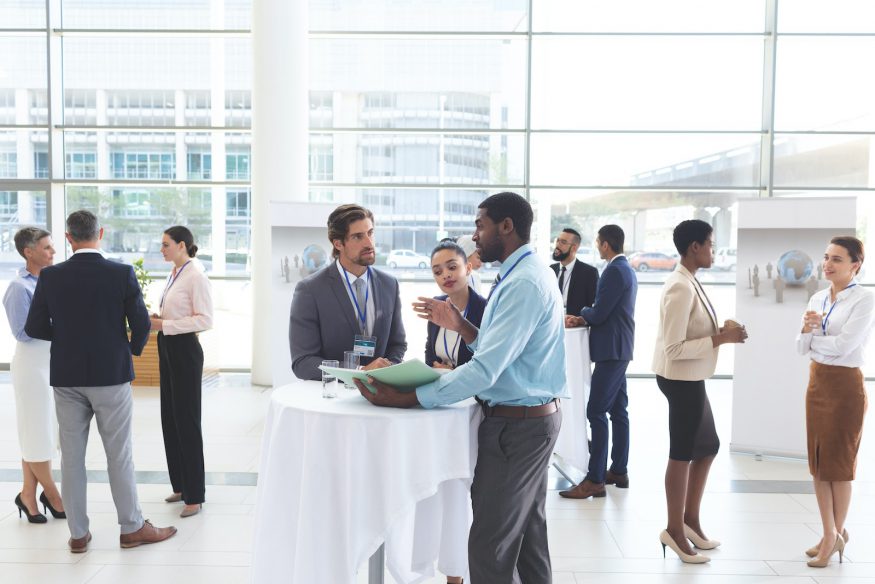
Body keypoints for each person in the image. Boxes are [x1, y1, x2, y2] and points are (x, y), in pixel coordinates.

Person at [355, 192, 566, 584]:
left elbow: (485, 370)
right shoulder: (527, 273)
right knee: (527, 541)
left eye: (480, 224)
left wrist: (409, 397)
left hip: (517, 428)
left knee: (490, 548)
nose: (475, 234)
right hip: (531, 421)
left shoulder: (523, 283)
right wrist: (461, 325)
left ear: (506, 226)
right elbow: (503, 352)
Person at [25, 210, 177, 553]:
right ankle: (132, 527)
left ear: (68, 238)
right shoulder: (120, 273)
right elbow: (141, 324)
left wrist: (65, 340)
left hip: (67, 377)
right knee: (119, 455)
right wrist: (126, 349)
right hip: (111, 375)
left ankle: (78, 534)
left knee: (72, 458)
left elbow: (34, 327)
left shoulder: (51, 277)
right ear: (101, 233)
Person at [651, 219, 747, 564]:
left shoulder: (690, 281)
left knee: (708, 446)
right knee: (682, 452)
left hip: (690, 378)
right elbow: (674, 348)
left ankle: (689, 520)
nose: (712, 250)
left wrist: (721, 332)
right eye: (709, 243)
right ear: (694, 247)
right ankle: (674, 530)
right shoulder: (680, 286)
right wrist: (722, 338)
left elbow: (689, 333)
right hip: (680, 379)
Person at [797, 236, 872, 568]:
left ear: (855, 264)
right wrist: (809, 336)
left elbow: (845, 347)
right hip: (817, 384)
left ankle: (832, 535)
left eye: (837, 259)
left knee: (838, 468)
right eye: (826, 257)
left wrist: (816, 340)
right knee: (818, 464)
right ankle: (831, 532)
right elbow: (801, 348)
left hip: (845, 388)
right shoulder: (816, 297)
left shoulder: (865, 299)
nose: (827, 264)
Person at [560, 225, 637, 499]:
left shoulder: (615, 270)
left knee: (596, 412)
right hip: (618, 348)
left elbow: (601, 311)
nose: (598, 246)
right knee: (618, 411)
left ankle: (595, 479)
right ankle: (618, 469)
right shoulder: (625, 268)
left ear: (605, 244)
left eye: (598, 242)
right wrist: (587, 316)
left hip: (611, 350)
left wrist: (581, 313)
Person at [289, 204, 407, 380]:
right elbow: (303, 362)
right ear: (338, 244)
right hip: (334, 396)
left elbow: (397, 345)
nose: (369, 243)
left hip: (381, 395)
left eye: (370, 233)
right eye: (358, 237)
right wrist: (359, 371)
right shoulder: (310, 290)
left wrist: (386, 370)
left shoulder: (389, 284)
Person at [149, 226, 214, 519]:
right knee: (169, 416)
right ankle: (180, 484)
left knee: (186, 419)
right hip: (167, 346)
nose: (161, 249)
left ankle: (195, 494)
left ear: (182, 245)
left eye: (166, 244)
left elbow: (205, 319)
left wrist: (166, 325)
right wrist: (160, 320)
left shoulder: (196, 275)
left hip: (184, 349)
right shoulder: (175, 273)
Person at [2, 227, 65, 524]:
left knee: (41, 432)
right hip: (32, 364)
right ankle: (52, 494)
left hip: (51, 362)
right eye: (47, 248)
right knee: (36, 431)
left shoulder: (52, 281)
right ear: (29, 252)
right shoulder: (18, 287)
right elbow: (22, 332)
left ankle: (28, 494)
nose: (53, 252)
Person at [425, 241, 487, 371]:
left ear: (468, 269)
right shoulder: (437, 305)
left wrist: (452, 373)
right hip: (439, 388)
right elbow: (430, 357)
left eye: (452, 267)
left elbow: (487, 364)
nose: (445, 275)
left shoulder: (484, 310)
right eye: (438, 272)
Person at [550, 227, 599, 316]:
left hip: (576, 327)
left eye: (563, 242)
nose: (557, 245)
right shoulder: (550, 270)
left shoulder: (589, 273)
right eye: (557, 241)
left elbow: (594, 307)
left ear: (574, 248)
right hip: (552, 325)